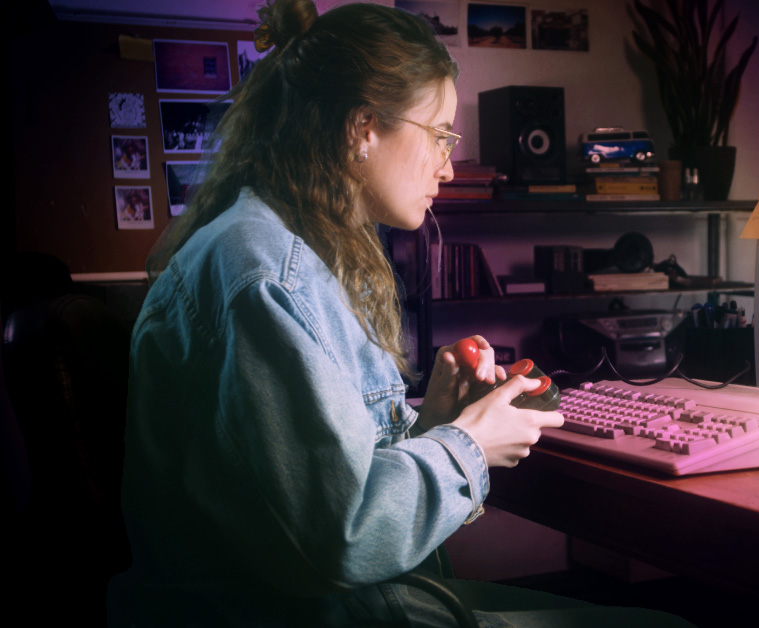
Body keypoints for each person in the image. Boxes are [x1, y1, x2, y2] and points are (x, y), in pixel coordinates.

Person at [112, 2, 696, 627]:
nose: (448, 165)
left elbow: (309, 486)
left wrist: (436, 422)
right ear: (364, 128)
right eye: (441, 133)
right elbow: (341, 535)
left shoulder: (281, 245)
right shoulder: (268, 277)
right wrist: (470, 443)